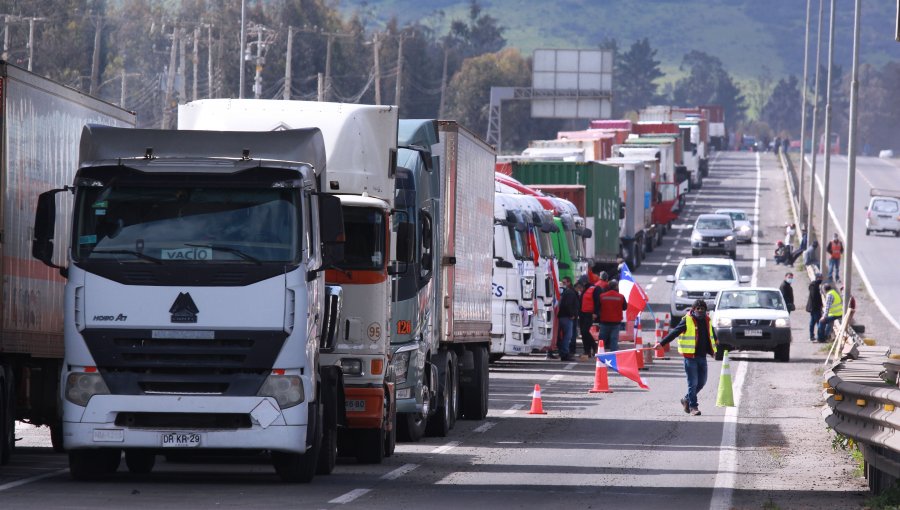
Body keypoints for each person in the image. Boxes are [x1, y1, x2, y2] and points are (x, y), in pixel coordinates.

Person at [655, 299, 718, 416]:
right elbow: (674, 333)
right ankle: (693, 407)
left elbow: (712, 335)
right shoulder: (687, 320)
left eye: (702, 309)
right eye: (697, 309)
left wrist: (714, 350)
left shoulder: (707, 320)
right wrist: (661, 344)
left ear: (705, 310)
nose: (700, 311)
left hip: (702, 357)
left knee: (702, 382)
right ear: (693, 309)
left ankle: (686, 399)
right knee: (693, 383)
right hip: (690, 358)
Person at [578, 272, 609, 358]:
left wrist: (596, 313)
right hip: (582, 314)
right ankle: (587, 351)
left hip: (590, 314)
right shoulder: (584, 290)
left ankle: (594, 346)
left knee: (585, 331)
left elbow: (597, 302)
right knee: (583, 333)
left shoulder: (595, 288)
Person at [596, 279, 627, 352]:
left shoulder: (602, 296)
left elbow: (598, 307)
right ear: (616, 287)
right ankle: (613, 355)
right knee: (614, 339)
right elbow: (625, 307)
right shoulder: (621, 296)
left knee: (602, 339)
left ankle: (600, 353)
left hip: (604, 321)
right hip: (616, 322)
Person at [557, 277, 580, 362]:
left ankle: (562, 352)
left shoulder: (566, 292)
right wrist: (571, 315)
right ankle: (565, 354)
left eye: (564, 282)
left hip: (562, 316)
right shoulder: (571, 293)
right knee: (568, 336)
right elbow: (568, 305)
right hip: (566, 317)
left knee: (561, 336)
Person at [806, 273, 824, 342]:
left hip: (813, 307)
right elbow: (814, 297)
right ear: (818, 278)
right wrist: (819, 305)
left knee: (812, 322)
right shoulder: (814, 286)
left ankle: (812, 336)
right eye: (821, 278)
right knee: (819, 322)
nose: (822, 279)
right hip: (815, 308)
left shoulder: (814, 285)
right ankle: (820, 337)